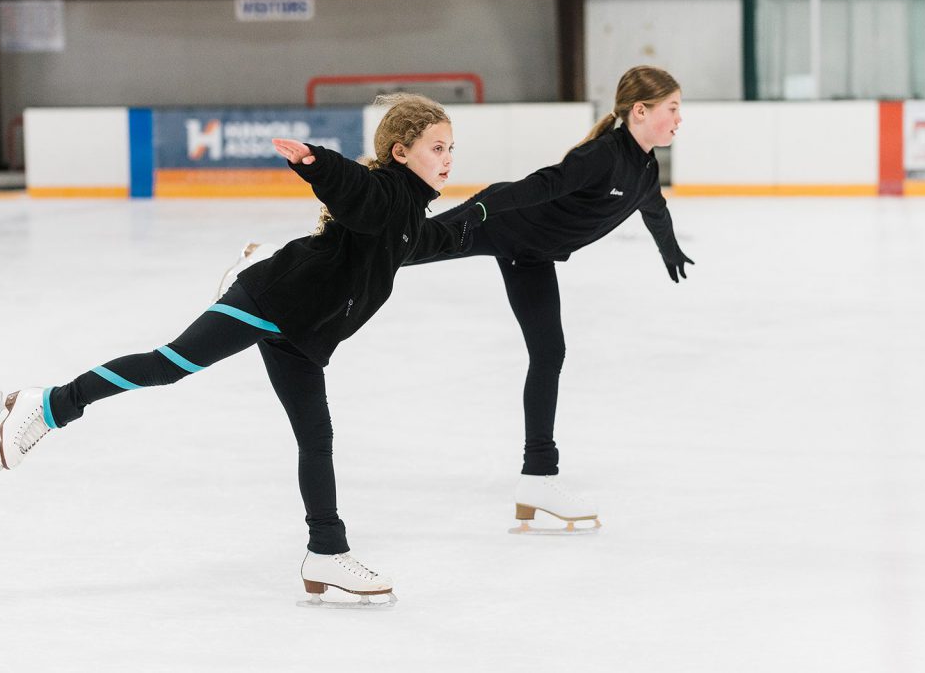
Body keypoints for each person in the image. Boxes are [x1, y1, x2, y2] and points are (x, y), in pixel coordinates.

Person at [0, 93, 484, 608]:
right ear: (402, 153)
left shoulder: (408, 221)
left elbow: (442, 237)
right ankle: (48, 405)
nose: (448, 159)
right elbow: (353, 187)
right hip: (271, 301)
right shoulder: (385, 195)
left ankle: (326, 551)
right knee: (170, 365)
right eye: (437, 147)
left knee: (317, 438)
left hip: (300, 330)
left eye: (451, 148)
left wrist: (503, 208)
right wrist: (317, 162)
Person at [219, 65, 692, 535]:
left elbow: (654, 207)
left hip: (533, 254)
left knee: (550, 351)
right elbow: (543, 183)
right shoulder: (603, 156)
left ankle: (538, 478)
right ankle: (269, 260)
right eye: (671, 108)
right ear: (640, 111)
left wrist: (669, 250)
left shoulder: (644, 167)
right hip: (501, 223)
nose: (678, 119)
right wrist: (482, 209)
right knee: (392, 250)